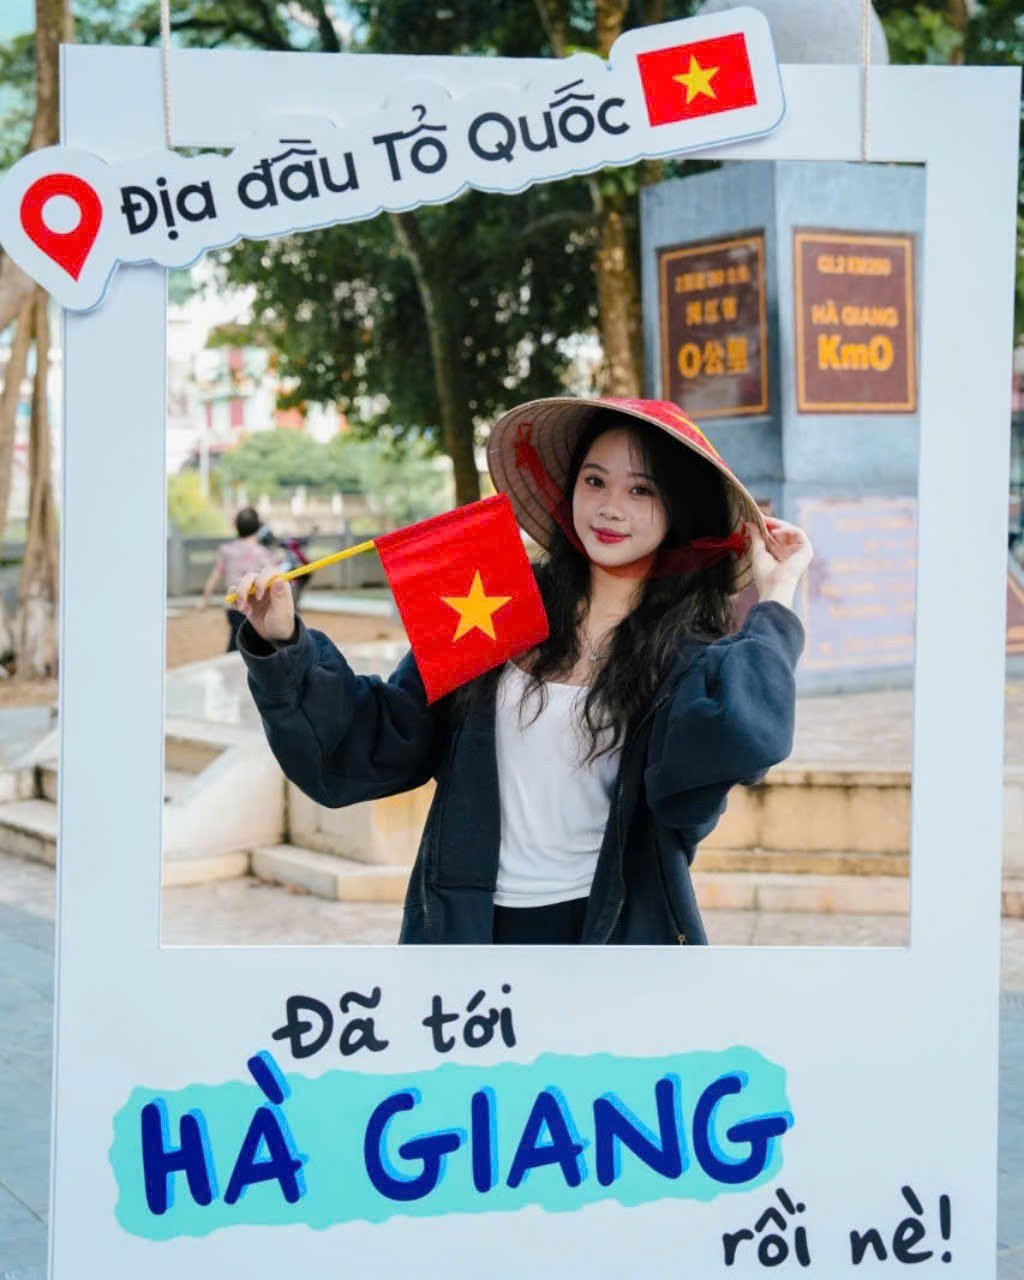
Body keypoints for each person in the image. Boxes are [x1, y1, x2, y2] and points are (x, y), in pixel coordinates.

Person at [232, 398, 813, 946]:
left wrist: (778, 595)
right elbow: (377, 740)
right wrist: (284, 642)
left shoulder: (688, 652)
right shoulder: (494, 601)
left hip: (614, 936)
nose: (610, 506)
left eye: (642, 489)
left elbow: (748, 735)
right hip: (467, 931)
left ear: (679, 510)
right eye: (595, 480)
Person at [200, 507, 282, 653]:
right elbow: (275, 578)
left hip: (234, 606)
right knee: (262, 647)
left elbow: (215, 576)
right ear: (258, 527)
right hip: (257, 606)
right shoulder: (264, 553)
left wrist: (205, 601)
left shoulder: (226, 550)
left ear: (237, 527)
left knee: (236, 644)